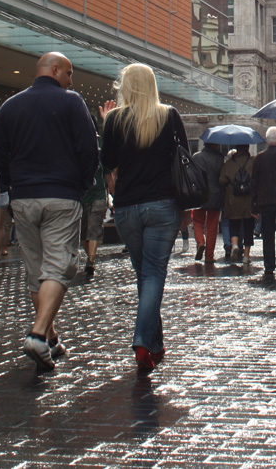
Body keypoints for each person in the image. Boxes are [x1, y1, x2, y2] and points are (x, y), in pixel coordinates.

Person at [0, 52, 98, 369]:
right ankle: (38, 334)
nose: (72, 80)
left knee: (36, 269)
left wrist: (12, 184)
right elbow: (89, 149)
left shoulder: (10, 106)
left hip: (23, 197)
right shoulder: (72, 102)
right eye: (69, 73)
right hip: (62, 195)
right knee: (59, 265)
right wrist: (82, 183)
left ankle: (50, 337)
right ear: (54, 70)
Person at [100, 63, 189, 372]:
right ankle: (142, 339)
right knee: (152, 274)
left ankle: (155, 343)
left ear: (126, 86)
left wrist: (106, 125)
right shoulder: (169, 115)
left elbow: (107, 162)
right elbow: (184, 159)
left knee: (145, 274)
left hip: (127, 208)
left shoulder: (114, 119)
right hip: (162, 206)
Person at [252, 127, 276, 278]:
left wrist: (253, 205)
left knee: (267, 234)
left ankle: (269, 265)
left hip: (265, 201)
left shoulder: (259, 158)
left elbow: (254, 182)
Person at [219, 144, 255, 261]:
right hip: (248, 198)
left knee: (234, 223)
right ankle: (246, 255)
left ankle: (234, 245)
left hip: (233, 198)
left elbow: (222, 180)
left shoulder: (229, 163)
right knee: (249, 225)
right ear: (247, 148)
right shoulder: (252, 162)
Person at [191, 142, 224, 262]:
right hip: (215, 195)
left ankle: (200, 242)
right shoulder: (219, 158)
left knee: (197, 221)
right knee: (212, 226)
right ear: (215, 145)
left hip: (199, 194)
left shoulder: (196, 157)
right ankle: (209, 256)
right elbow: (222, 178)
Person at [80, 152, 108, 276]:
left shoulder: (101, 158)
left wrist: (109, 196)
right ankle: (90, 257)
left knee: (94, 228)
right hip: (82, 198)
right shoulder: (78, 157)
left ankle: (91, 260)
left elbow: (108, 177)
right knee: (82, 233)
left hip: (98, 197)